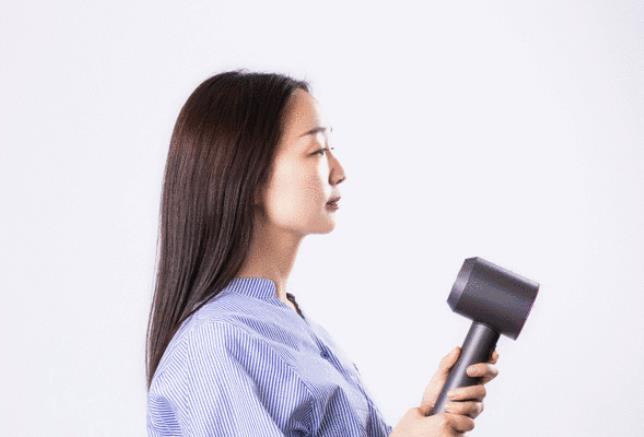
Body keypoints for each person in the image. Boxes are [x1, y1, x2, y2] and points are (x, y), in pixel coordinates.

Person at [145, 70, 500, 436]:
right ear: (248, 178)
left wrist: (430, 413)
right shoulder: (217, 343)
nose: (339, 171)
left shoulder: (291, 326)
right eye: (316, 150)